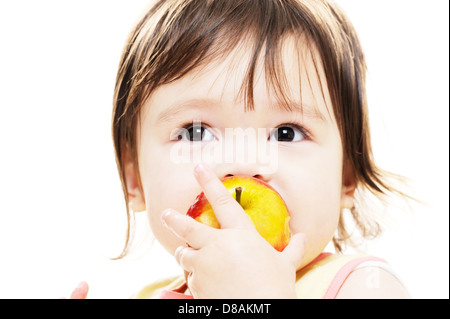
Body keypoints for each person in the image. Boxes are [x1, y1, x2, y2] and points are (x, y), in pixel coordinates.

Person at [70, 0, 411, 298]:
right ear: (134, 180)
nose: (245, 164)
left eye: (286, 133)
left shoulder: (364, 287)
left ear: (346, 177)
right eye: (196, 132)